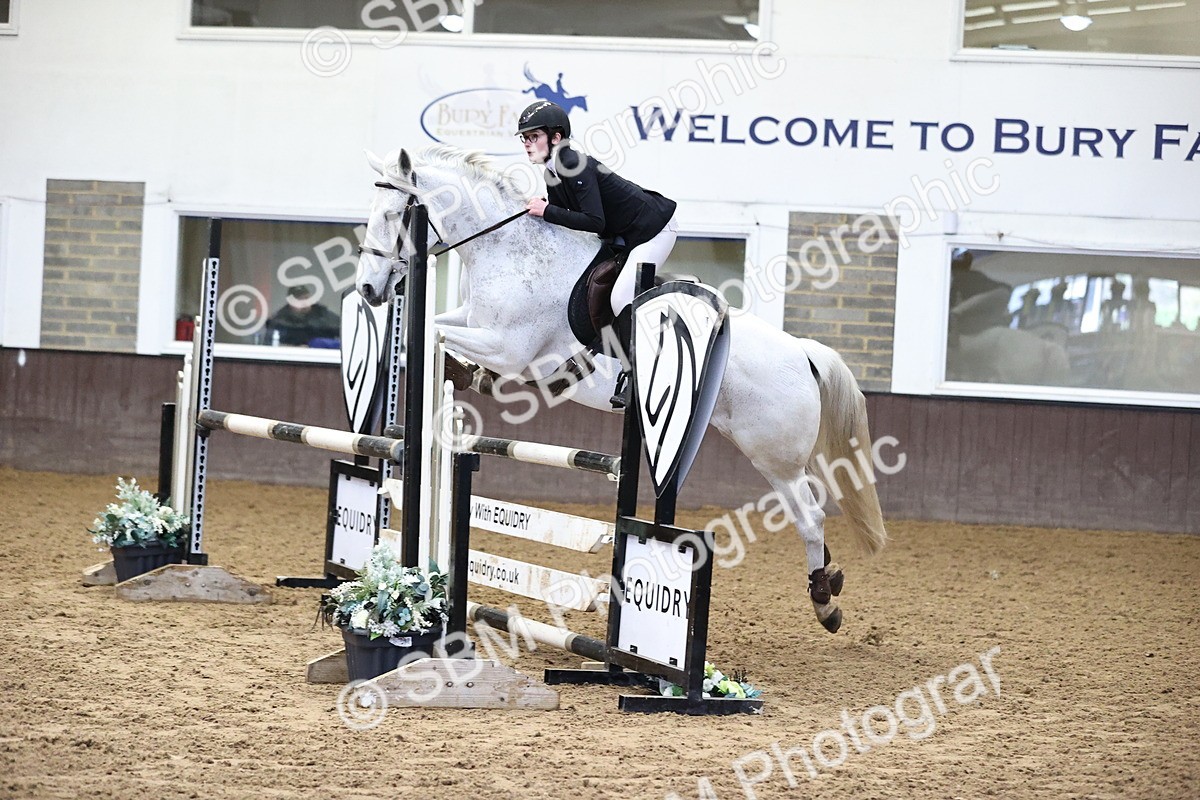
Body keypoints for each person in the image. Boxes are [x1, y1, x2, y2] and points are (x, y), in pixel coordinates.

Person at [516, 100, 677, 406]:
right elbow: (567, 218)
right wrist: (546, 210)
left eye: (533, 136)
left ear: (556, 137)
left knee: (620, 297)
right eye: (524, 138)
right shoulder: (552, 171)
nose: (527, 144)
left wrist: (548, 211)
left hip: (653, 231)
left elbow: (593, 221)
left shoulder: (573, 163)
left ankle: (637, 376)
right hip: (623, 235)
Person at [265, 284, 341, 347]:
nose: (304, 303)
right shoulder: (280, 320)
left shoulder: (322, 314)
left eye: (306, 298)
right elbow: (270, 344)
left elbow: (342, 330)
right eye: (299, 299)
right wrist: (296, 348)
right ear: (291, 303)